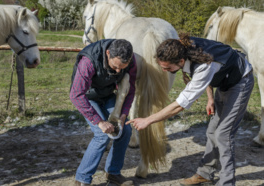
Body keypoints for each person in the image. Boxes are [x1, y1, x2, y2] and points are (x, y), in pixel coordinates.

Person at [126, 33, 254, 186]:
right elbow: (207, 74)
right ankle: (205, 174)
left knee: (223, 135)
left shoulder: (203, 65)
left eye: (167, 67)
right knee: (212, 131)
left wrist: (148, 120)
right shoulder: (182, 47)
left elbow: (180, 105)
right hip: (224, 78)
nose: (165, 71)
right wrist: (210, 98)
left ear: (181, 61)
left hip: (240, 81)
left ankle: (227, 182)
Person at [70, 39, 136, 186]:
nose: (118, 71)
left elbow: (130, 90)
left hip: (107, 95)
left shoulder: (131, 60)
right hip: (87, 97)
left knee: (125, 129)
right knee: (102, 134)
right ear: (107, 53)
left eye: (122, 68)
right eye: (115, 66)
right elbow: (76, 95)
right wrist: (99, 121)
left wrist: (124, 113)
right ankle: (82, 179)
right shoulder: (88, 61)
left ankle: (113, 173)